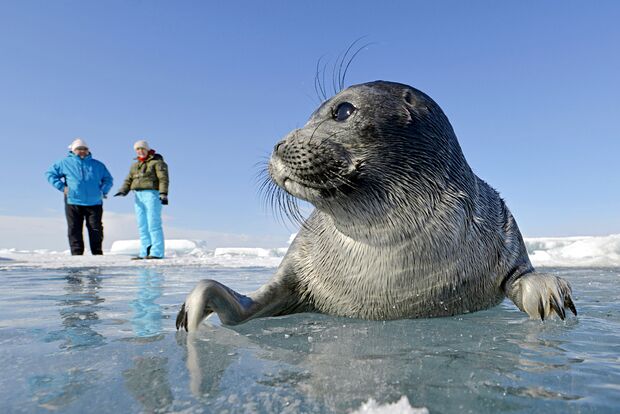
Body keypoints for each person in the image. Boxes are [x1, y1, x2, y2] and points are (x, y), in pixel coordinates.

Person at [46, 138, 113, 255]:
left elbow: (108, 179)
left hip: (95, 202)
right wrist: (62, 187)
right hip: (73, 201)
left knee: (95, 229)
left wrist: (102, 192)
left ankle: (97, 253)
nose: (82, 151)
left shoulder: (98, 165)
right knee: (74, 229)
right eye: (79, 149)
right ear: (73, 150)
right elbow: (50, 174)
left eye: (84, 149)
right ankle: (77, 254)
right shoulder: (64, 163)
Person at [115, 140, 169, 260]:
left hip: (152, 194)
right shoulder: (134, 166)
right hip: (138, 195)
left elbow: (163, 179)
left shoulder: (157, 163)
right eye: (138, 149)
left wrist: (163, 193)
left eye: (142, 149)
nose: (140, 151)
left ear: (147, 150)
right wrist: (123, 190)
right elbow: (128, 180)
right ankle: (144, 251)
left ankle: (157, 252)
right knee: (142, 224)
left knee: (153, 223)